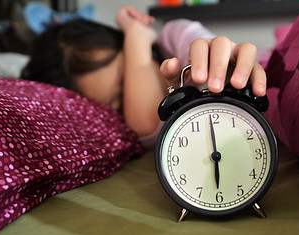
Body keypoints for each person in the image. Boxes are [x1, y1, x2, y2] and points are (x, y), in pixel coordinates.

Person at [21, 5, 267, 148]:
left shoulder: (175, 38)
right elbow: (148, 123)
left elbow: (210, 49)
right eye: (119, 102)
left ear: (126, 45)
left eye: (124, 76)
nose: (132, 93)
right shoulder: (142, 123)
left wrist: (136, 34)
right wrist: (137, 34)